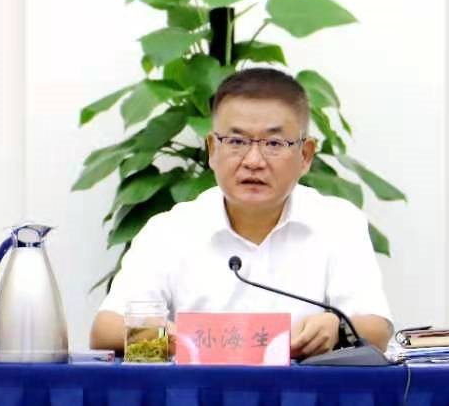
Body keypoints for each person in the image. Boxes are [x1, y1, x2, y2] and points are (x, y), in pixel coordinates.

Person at [90, 67, 393, 357]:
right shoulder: (169, 231)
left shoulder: (338, 224)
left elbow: (377, 329)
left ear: (305, 155)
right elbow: (106, 329)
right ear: (212, 150)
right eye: (236, 141)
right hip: (200, 392)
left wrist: (337, 327)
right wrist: (170, 338)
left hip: (301, 392)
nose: (253, 161)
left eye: (274, 143)